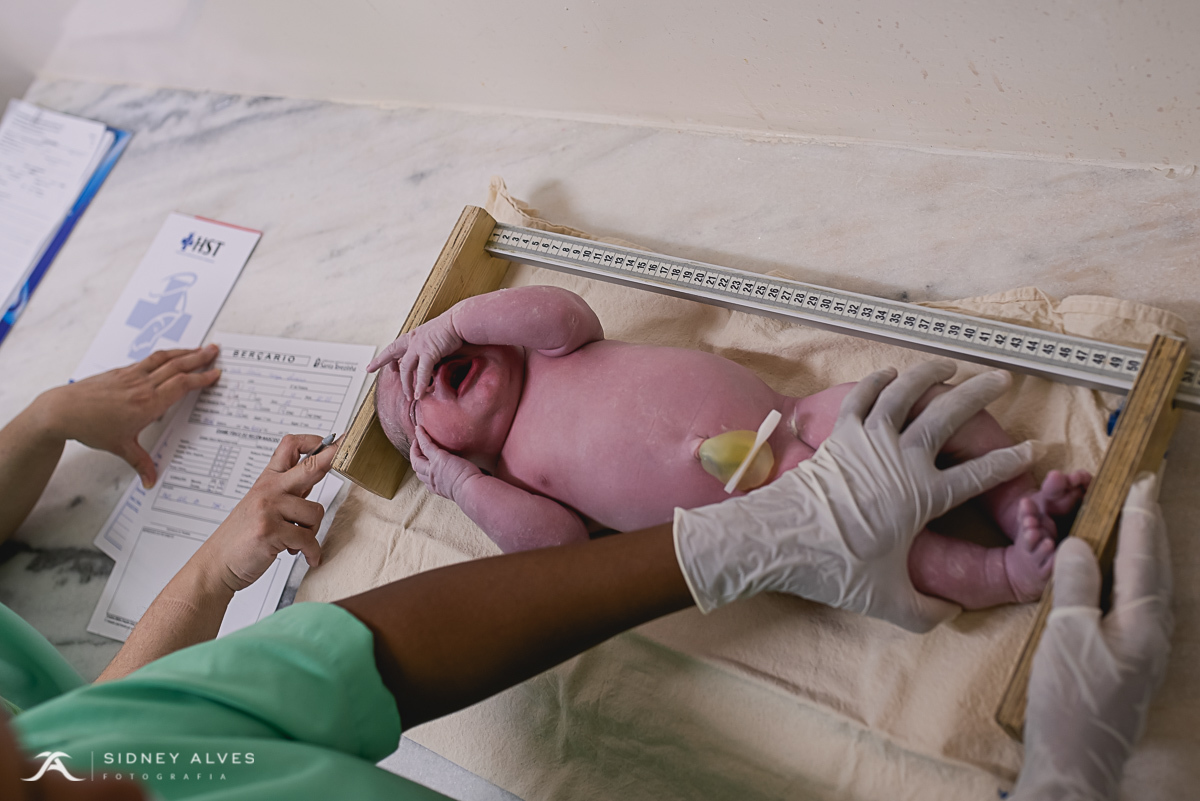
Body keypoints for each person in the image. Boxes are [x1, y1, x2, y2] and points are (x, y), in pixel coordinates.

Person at [0, 360, 1172, 800]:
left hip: (790, 469)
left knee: (890, 453)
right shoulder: (495, 469)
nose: (96, 778)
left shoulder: (82, 751)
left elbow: (347, 660)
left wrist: (759, 535)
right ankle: (1008, 552)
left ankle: (1019, 519)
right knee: (937, 560)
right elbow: (539, 543)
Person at [371, 285, 1090, 609]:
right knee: (888, 551)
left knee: (927, 405)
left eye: (434, 348)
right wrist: (463, 486)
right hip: (776, 514)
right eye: (414, 396)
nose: (429, 367)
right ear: (438, 453)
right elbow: (558, 546)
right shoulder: (515, 468)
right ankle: (1009, 574)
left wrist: (457, 317)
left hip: (800, 416)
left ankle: (1017, 497)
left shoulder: (554, 348)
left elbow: (561, 307)